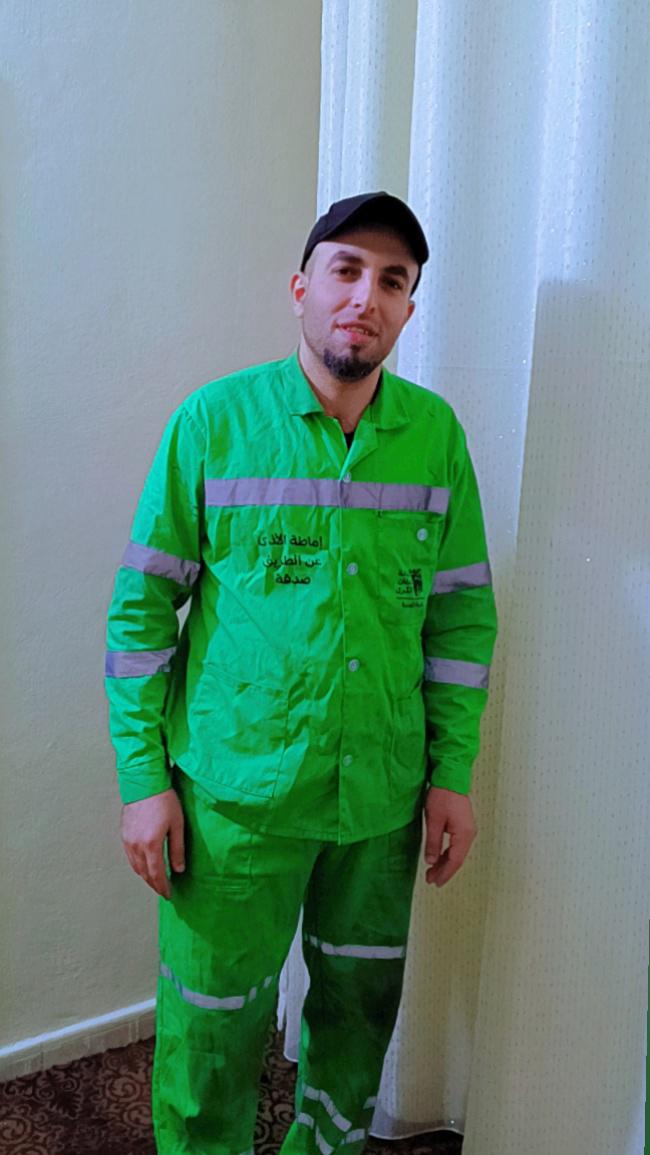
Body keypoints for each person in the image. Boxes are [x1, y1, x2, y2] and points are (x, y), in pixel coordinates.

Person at [104, 191, 498, 1155]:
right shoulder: (213, 424)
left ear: (408, 309)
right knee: (211, 1032)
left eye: (392, 280)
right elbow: (142, 612)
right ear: (301, 288)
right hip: (235, 805)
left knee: (358, 1020)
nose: (366, 296)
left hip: (380, 804)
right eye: (346, 269)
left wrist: (451, 773)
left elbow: (459, 616)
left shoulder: (436, 437)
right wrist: (143, 781)